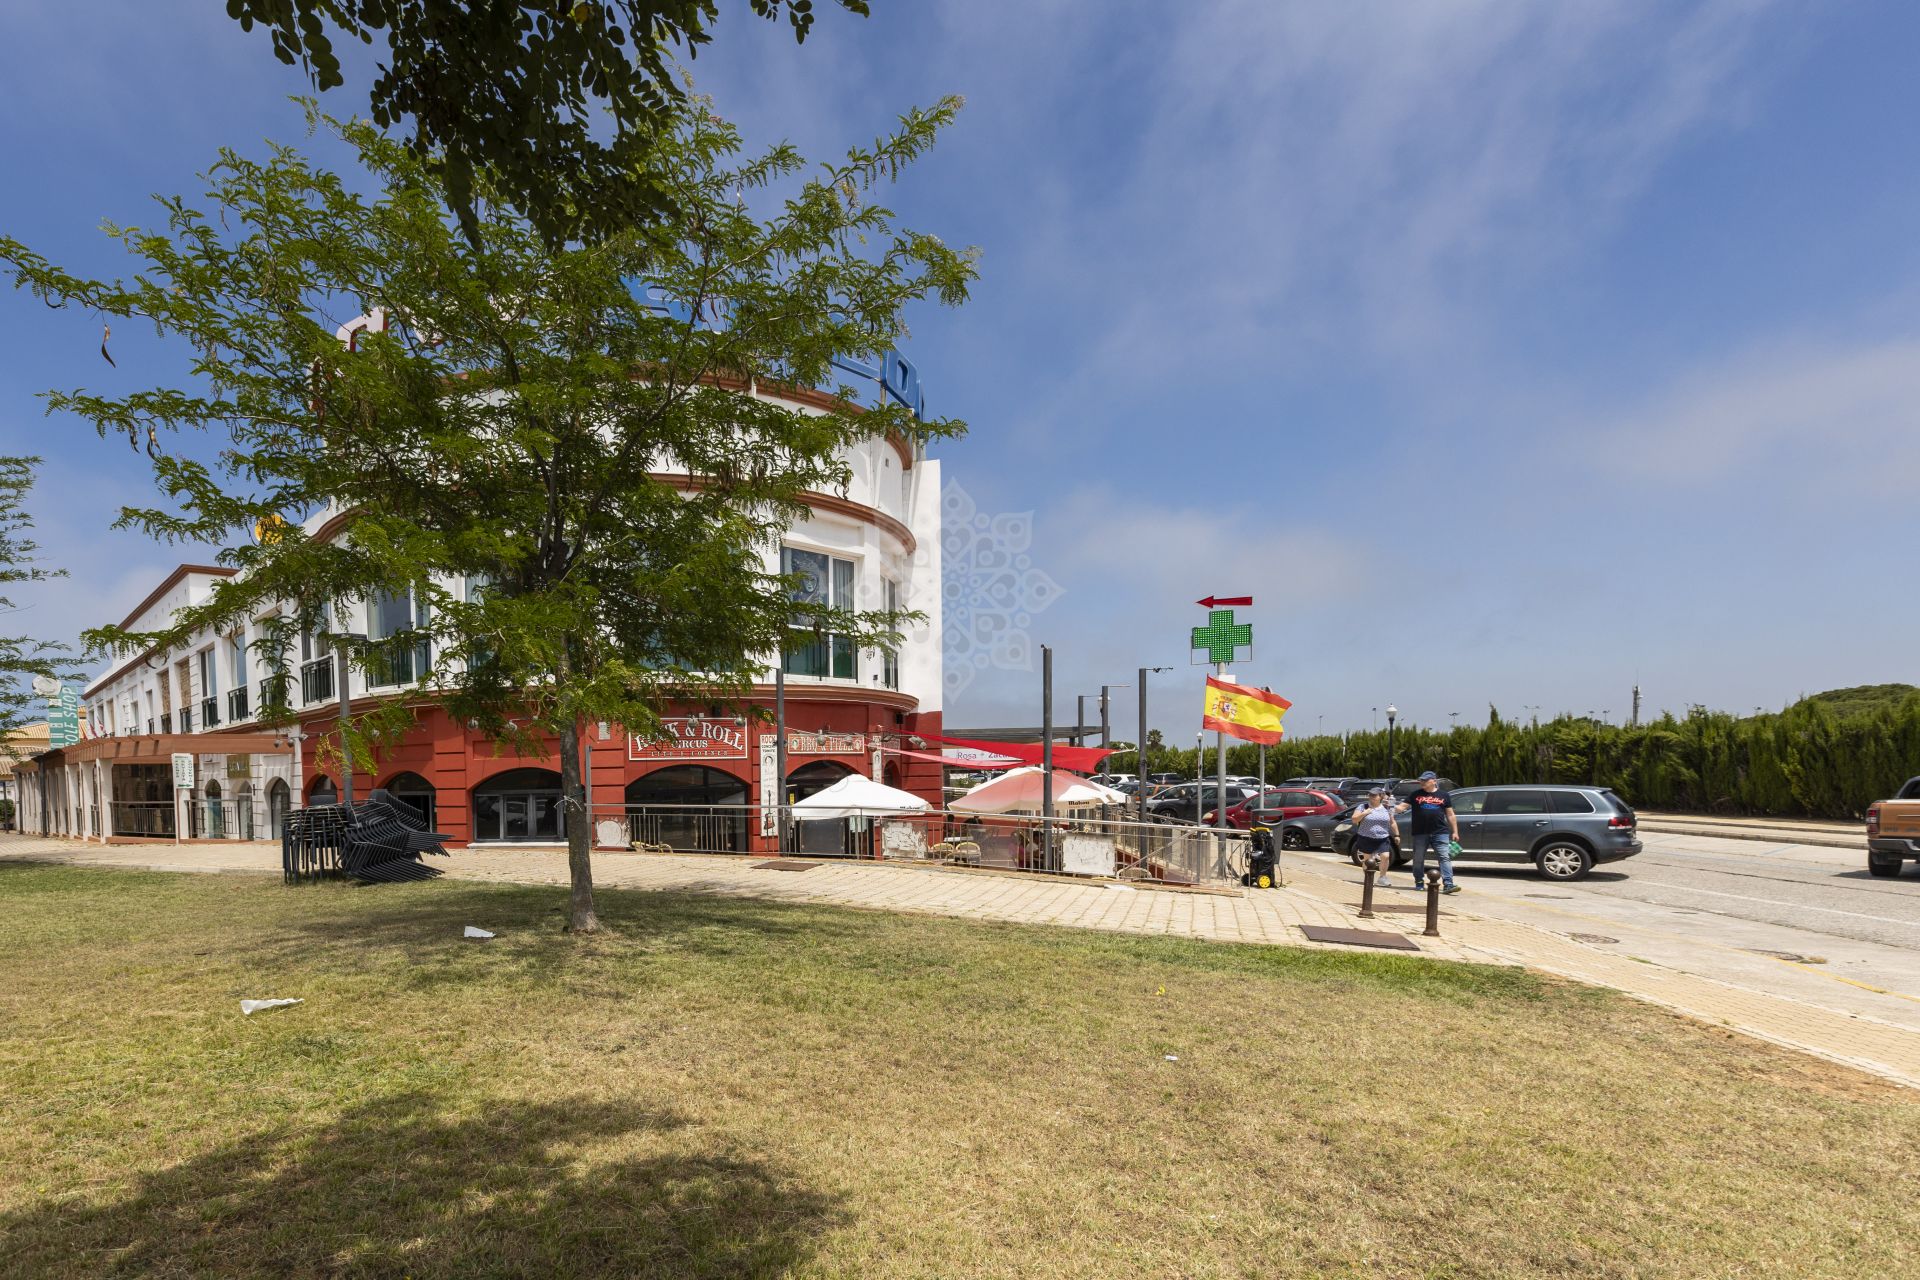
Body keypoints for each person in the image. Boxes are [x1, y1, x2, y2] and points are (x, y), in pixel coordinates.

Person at [1398, 770, 1461, 894]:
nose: (1422, 782)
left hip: (1440, 832)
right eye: (1421, 780)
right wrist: (1392, 806)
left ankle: (1448, 884)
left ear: (1434, 781)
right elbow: (1402, 807)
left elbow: (1450, 814)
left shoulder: (1444, 795)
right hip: (1420, 833)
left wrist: (1455, 831)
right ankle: (1419, 881)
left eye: (1425, 780)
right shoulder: (1415, 794)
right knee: (1418, 858)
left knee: (1444, 857)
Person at [1350, 788, 1399, 886]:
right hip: (1366, 837)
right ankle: (1369, 878)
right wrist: (1364, 813)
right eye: (1370, 795)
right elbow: (1354, 820)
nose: (1372, 797)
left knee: (1385, 856)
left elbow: (1392, 822)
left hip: (1383, 837)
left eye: (1374, 795)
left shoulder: (1387, 808)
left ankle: (1382, 877)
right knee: (1368, 860)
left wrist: (1397, 835)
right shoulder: (1363, 807)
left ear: (1380, 796)